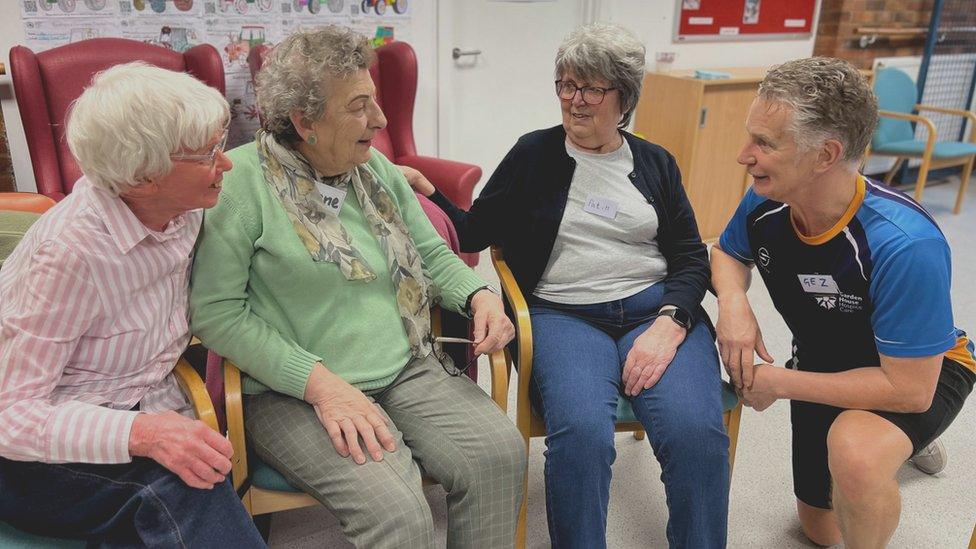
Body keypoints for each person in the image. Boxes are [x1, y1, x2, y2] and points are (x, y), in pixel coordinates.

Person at [188, 26, 526, 549]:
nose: (381, 120)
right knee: (398, 513)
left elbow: (432, 255)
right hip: (291, 391)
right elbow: (217, 314)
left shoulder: (376, 170)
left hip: (404, 364)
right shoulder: (241, 187)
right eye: (359, 106)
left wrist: (478, 295)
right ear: (305, 122)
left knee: (499, 455)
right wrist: (321, 385)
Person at [406, 22, 729, 549]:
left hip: (657, 311)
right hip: (563, 314)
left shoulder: (655, 163)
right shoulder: (533, 154)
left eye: (591, 88)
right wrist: (429, 192)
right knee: (580, 438)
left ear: (624, 98)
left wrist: (672, 323)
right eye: (567, 85)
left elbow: (691, 256)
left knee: (696, 436)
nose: (575, 101)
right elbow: (473, 231)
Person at [712, 57, 975, 548]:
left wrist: (777, 382)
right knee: (820, 530)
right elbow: (727, 252)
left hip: (920, 369)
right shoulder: (768, 199)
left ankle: (888, 446)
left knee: (854, 451)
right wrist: (734, 306)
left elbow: (910, 391)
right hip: (825, 363)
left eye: (764, 143)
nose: (744, 155)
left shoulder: (905, 244)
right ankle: (898, 449)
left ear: (825, 155)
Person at [0, 63, 265, 547]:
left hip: (147, 404)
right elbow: (11, 416)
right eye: (208, 153)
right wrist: (142, 434)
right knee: (189, 489)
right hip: (39, 459)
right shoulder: (69, 255)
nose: (225, 163)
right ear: (144, 177)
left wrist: (382, 170)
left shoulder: (182, 209)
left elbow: (268, 170)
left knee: (210, 474)